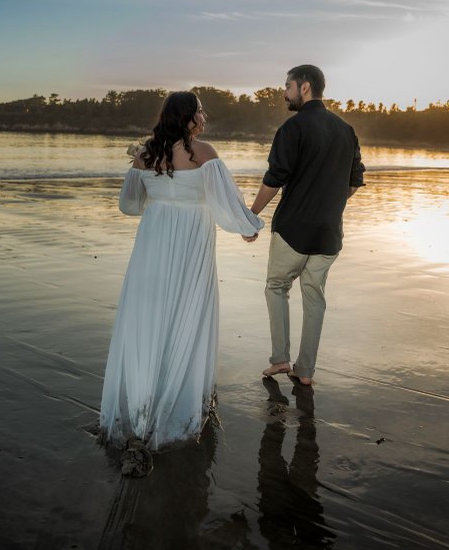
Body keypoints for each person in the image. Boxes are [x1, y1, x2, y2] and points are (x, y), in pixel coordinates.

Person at [100, 91, 264, 459]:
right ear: (188, 117)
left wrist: (155, 191)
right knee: (187, 310)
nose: (204, 117)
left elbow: (129, 205)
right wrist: (247, 226)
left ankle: (141, 404)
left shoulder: (145, 154)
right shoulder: (204, 153)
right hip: (192, 241)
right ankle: (179, 399)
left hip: (153, 241)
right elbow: (226, 202)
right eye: (200, 111)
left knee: (149, 314)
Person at [250, 65, 365, 386]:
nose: (284, 92)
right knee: (315, 297)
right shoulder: (346, 129)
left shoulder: (293, 128)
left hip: (293, 229)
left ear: (304, 87)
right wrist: (328, 204)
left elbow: (275, 179)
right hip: (329, 232)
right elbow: (355, 181)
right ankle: (305, 371)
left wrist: (251, 215)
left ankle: (280, 359)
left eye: (288, 86)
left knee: (277, 287)